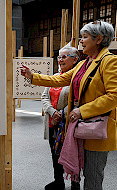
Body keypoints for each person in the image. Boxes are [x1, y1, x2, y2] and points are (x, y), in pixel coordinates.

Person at [21, 20, 117, 190]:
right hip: (81, 127)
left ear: (98, 39)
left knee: (92, 176)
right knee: (80, 170)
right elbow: (60, 79)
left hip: (97, 129)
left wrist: (82, 111)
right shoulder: (86, 63)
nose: (81, 41)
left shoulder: (110, 61)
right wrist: (32, 76)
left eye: (85, 37)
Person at [42, 46, 80, 190]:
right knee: (55, 154)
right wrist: (52, 112)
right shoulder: (55, 76)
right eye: (59, 57)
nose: (60, 60)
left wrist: (62, 113)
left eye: (64, 57)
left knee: (72, 154)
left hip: (68, 123)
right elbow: (44, 96)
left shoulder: (76, 78)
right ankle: (59, 181)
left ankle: (74, 184)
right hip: (53, 122)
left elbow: (78, 100)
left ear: (75, 59)